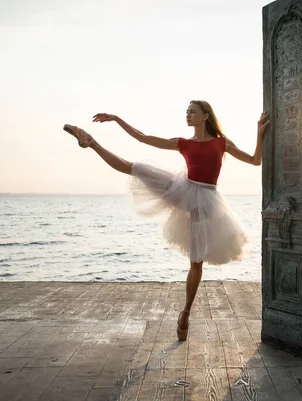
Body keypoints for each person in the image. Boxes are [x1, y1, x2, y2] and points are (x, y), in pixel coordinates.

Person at [63, 100, 270, 340]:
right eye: (186, 112)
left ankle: (186, 312)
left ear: (205, 116)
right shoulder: (183, 144)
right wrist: (117, 119)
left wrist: (258, 133)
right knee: (135, 167)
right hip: (184, 190)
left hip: (207, 201)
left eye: (192, 111)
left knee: (196, 263)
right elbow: (142, 137)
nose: (188, 115)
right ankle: (91, 141)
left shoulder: (222, 143)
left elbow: (256, 161)